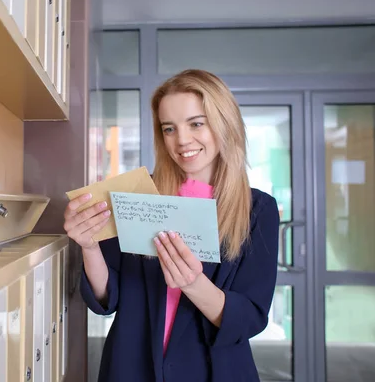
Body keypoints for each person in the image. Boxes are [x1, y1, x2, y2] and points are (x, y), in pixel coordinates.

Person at [63, 69, 280, 382]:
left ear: (224, 123)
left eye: (196, 124)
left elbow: (250, 317)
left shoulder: (258, 210)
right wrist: (89, 245)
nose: (182, 140)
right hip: (131, 368)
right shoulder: (137, 194)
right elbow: (107, 294)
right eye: (169, 129)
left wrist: (194, 283)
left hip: (213, 372)